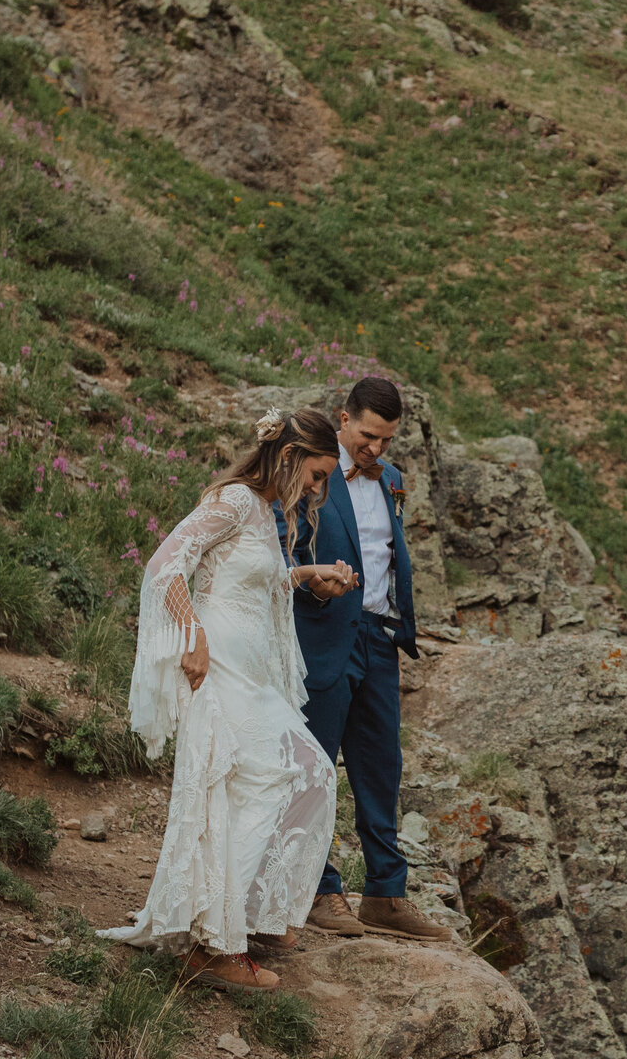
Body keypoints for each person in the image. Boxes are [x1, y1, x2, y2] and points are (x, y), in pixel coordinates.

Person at [105, 407, 360, 989]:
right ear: (291, 458)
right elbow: (166, 564)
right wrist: (189, 635)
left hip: (252, 673)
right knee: (255, 785)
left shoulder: (267, 513)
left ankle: (251, 916)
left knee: (311, 772)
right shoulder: (235, 501)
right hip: (217, 666)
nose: (320, 489)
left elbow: (250, 582)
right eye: (317, 475)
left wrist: (305, 576)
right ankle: (214, 948)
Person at [279, 375, 452, 942]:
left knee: (381, 768)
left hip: (380, 638)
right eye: (369, 436)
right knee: (317, 766)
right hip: (326, 632)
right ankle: (320, 889)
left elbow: (387, 553)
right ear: (343, 417)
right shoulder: (314, 471)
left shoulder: (393, 480)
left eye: (386, 440)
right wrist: (313, 590)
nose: (376, 449)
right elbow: (286, 552)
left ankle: (386, 893)